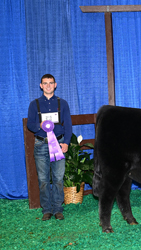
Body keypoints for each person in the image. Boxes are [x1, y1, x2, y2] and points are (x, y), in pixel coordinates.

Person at [27, 74, 72, 220]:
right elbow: (29, 124)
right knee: (43, 179)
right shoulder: (35, 104)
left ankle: (58, 209)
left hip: (58, 144)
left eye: (50, 83)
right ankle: (46, 209)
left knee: (58, 178)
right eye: (45, 83)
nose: (48, 85)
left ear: (55, 85)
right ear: (41, 86)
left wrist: (66, 143)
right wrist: (39, 125)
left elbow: (68, 125)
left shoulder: (62, 103)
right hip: (40, 144)